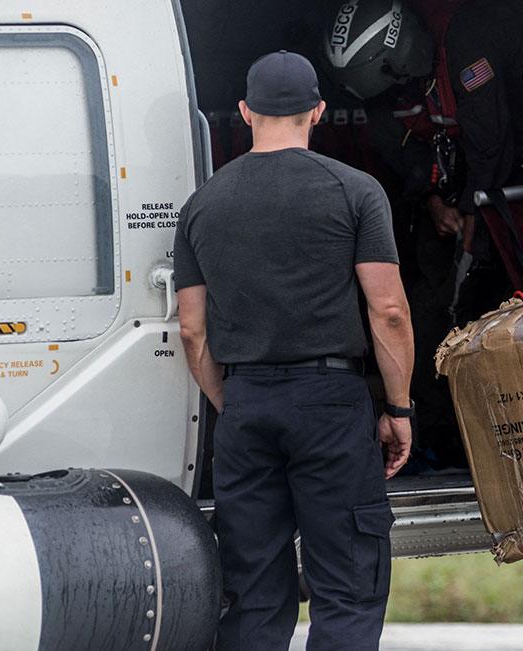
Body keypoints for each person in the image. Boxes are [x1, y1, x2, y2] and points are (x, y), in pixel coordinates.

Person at [174, 50, 414, 650]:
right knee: (347, 588)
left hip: (247, 405)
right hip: (330, 404)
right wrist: (400, 408)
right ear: (319, 110)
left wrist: (232, 401)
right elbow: (388, 311)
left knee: (253, 593)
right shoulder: (356, 191)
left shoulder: (202, 203)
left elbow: (192, 330)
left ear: (244, 111)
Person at [318, 0, 523, 469]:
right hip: (445, 198)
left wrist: (469, 209)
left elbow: (491, 138)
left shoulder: (466, 41)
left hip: (506, 185)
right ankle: (438, 434)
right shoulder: (382, 96)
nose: (390, 92)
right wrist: (433, 201)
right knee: (427, 307)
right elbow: (396, 151)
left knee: (499, 304)